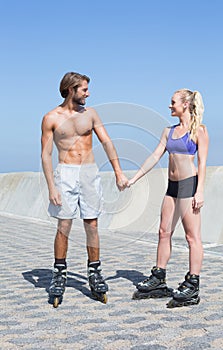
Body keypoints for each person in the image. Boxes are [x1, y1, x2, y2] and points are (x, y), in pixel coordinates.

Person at [41, 72, 128, 305]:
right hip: (65, 173)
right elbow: (46, 155)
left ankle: (94, 272)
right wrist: (51, 186)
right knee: (64, 225)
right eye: (84, 90)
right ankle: (59, 273)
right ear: (71, 90)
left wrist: (118, 171)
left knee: (92, 224)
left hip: (89, 172)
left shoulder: (90, 114)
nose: (88, 93)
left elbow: (107, 142)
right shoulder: (51, 118)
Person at [128, 89, 209, 308]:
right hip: (172, 187)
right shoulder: (168, 131)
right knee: (164, 232)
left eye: (173, 102)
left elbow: (201, 163)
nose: (170, 106)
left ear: (185, 104)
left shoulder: (199, 131)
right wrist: (134, 178)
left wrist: (199, 190)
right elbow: (155, 156)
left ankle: (193, 283)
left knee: (192, 237)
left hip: (188, 185)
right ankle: (159, 278)